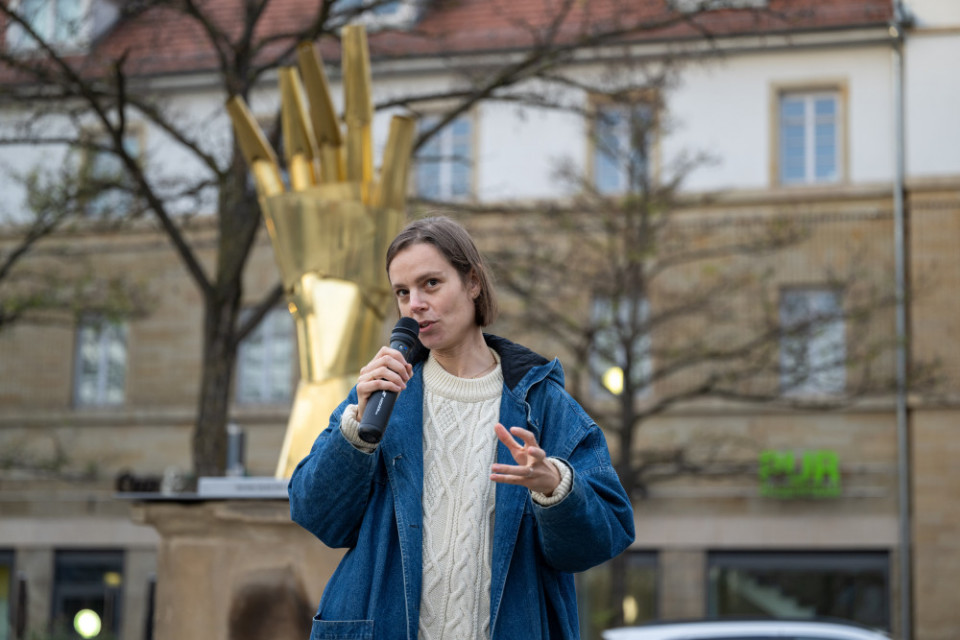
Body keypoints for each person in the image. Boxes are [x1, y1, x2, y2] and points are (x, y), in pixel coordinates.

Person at [289, 216, 635, 640]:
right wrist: (356, 433)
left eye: (431, 283)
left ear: (473, 282)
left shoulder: (541, 403)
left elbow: (605, 536)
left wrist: (555, 487)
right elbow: (316, 516)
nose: (415, 304)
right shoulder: (381, 396)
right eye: (403, 292)